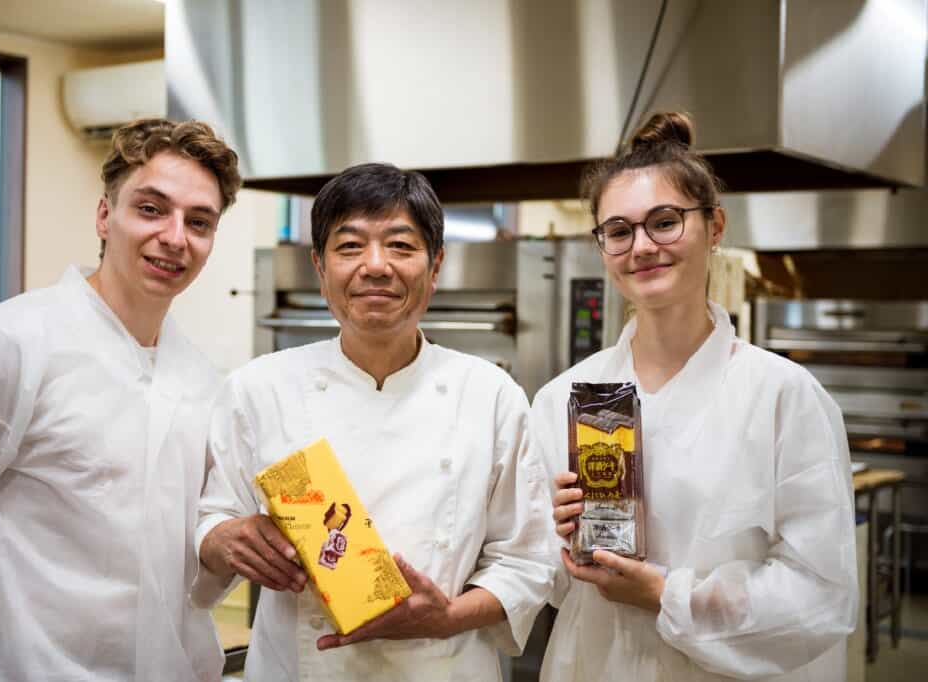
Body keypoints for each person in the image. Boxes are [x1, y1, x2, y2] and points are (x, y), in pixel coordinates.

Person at [0, 119, 242, 681]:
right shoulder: (9, 344)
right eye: (152, 208)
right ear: (105, 216)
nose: (176, 237)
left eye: (199, 221)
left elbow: (188, 556)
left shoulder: (203, 382)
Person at [192, 162, 554, 681]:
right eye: (350, 246)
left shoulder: (491, 395)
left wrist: (447, 617)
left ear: (435, 267)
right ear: (320, 269)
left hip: (442, 668)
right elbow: (211, 518)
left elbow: (528, 560)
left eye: (401, 246)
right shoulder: (258, 389)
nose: (376, 266)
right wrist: (223, 538)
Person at [536, 112, 858, 681]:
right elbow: (551, 583)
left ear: (714, 227)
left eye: (664, 222)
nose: (641, 247)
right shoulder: (566, 397)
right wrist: (560, 534)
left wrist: (666, 595)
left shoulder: (782, 395)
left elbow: (822, 596)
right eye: (618, 230)